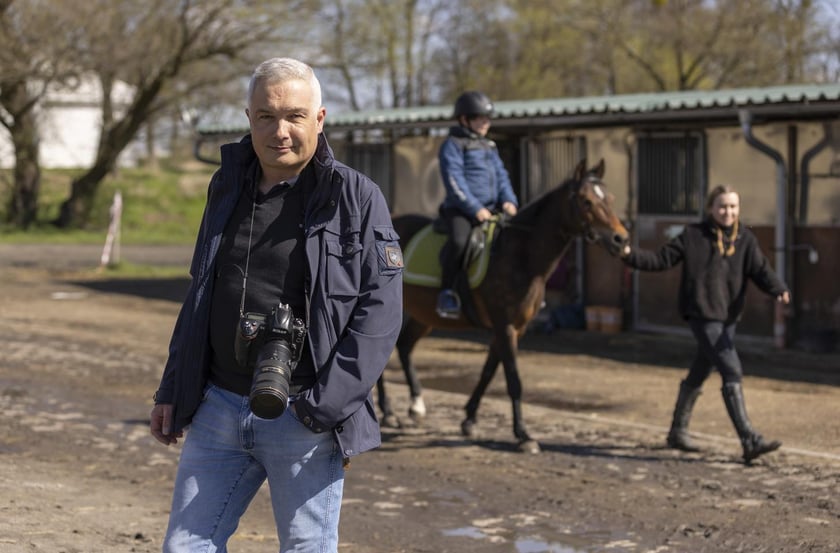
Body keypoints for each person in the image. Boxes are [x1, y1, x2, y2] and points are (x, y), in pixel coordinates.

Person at [149, 57, 403, 552]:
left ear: (320, 119)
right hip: (218, 407)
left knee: (307, 547)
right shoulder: (226, 185)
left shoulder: (355, 197)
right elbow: (200, 291)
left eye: (294, 116)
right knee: (184, 546)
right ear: (249, 119)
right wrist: (172, 388)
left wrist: (323, 409)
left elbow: (380, 315)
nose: (280, 130)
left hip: (304, 414)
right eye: (266, 116)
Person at [622, 185, 790, 464]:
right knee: (731, 368)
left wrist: (778, 288)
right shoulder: (692, 235)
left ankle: (677, 431)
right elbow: (659, 260)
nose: (728, 212)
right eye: (723, 206)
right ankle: (749, 439)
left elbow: (761, 269)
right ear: (711, 207)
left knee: (701, 370)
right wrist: (628, 254)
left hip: (728, 318)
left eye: (733, 207)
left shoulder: (745, 238)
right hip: (702, 314)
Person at [435, 91, 518, 319]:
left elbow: (502, 176)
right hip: (461, 210)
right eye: (480, 118)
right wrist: (475, 208)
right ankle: (447, 292)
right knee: (460, 242)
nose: (486, 123)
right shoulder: (452, 145)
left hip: (492, 210)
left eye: (487, 118)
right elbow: (454, 181)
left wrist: (509, 200)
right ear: (464, 120)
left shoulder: (489, 146)